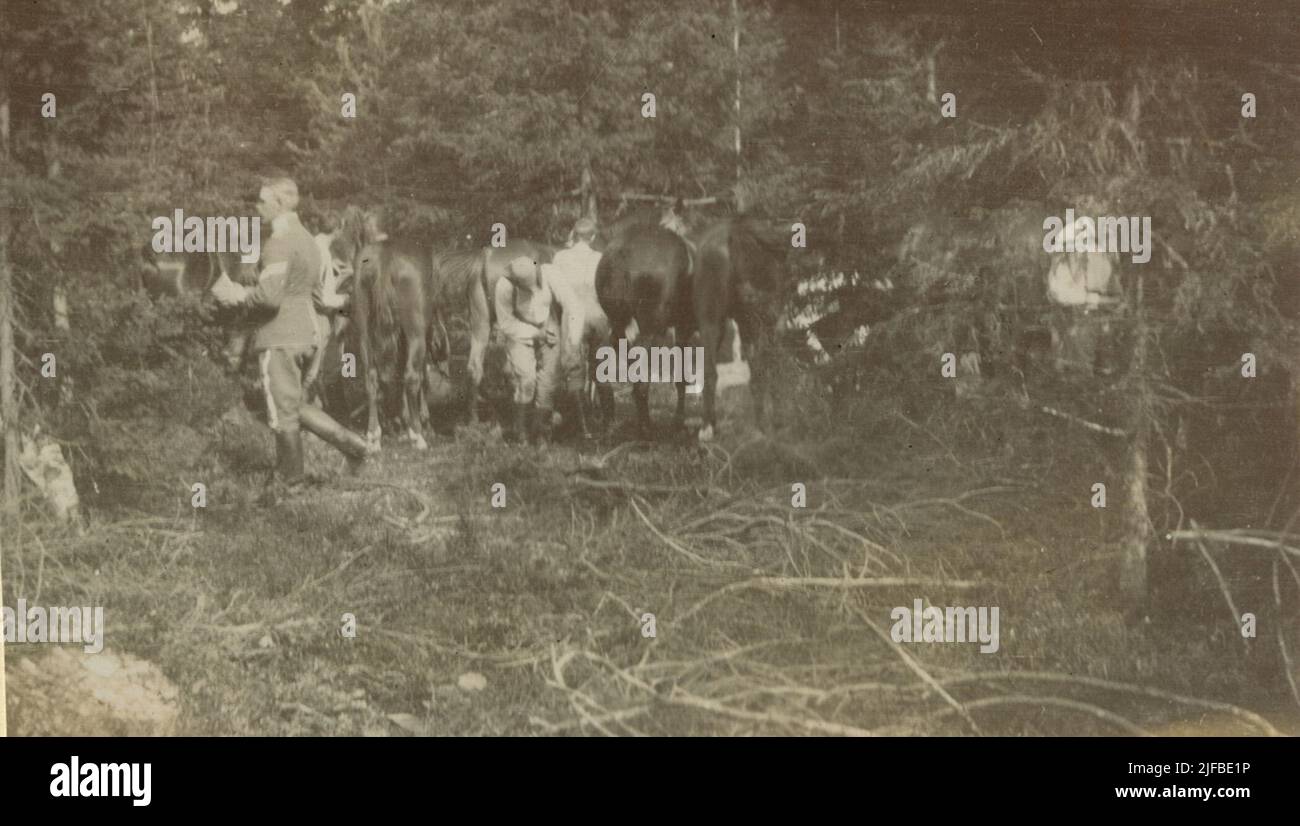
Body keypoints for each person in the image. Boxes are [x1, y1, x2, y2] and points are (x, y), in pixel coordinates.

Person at [211, 177, 371, 488]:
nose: (257, 208)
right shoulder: (309, 241)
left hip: (280, 336)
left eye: (262, 201)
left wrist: (234, 295)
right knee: (294, 405)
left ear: (280, 203)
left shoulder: (278, 243)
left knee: (281, 413)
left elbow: (269, 297)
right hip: (308, 333)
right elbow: (314, 296)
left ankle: (292, 482)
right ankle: (353, 446)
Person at [496, 255, 582, 444]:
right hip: (520, 330)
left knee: (549, 380)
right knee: (526, 379)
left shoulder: (551, 274)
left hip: (548, 325)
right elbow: (507, 324)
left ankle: (541, 431)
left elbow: (573, 306)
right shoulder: (504, 286)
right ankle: (521, 432)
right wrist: (537, 334)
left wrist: (572, 342)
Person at [549, 218, 611, 436]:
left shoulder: (560, 257)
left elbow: (554, 291)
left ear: (573, 235)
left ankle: (583, 428)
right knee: (602, 367)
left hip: (574, 315)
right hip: (598, 315)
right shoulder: (601, 258)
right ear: (593, 237)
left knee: (574, 369)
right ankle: (607, 425)